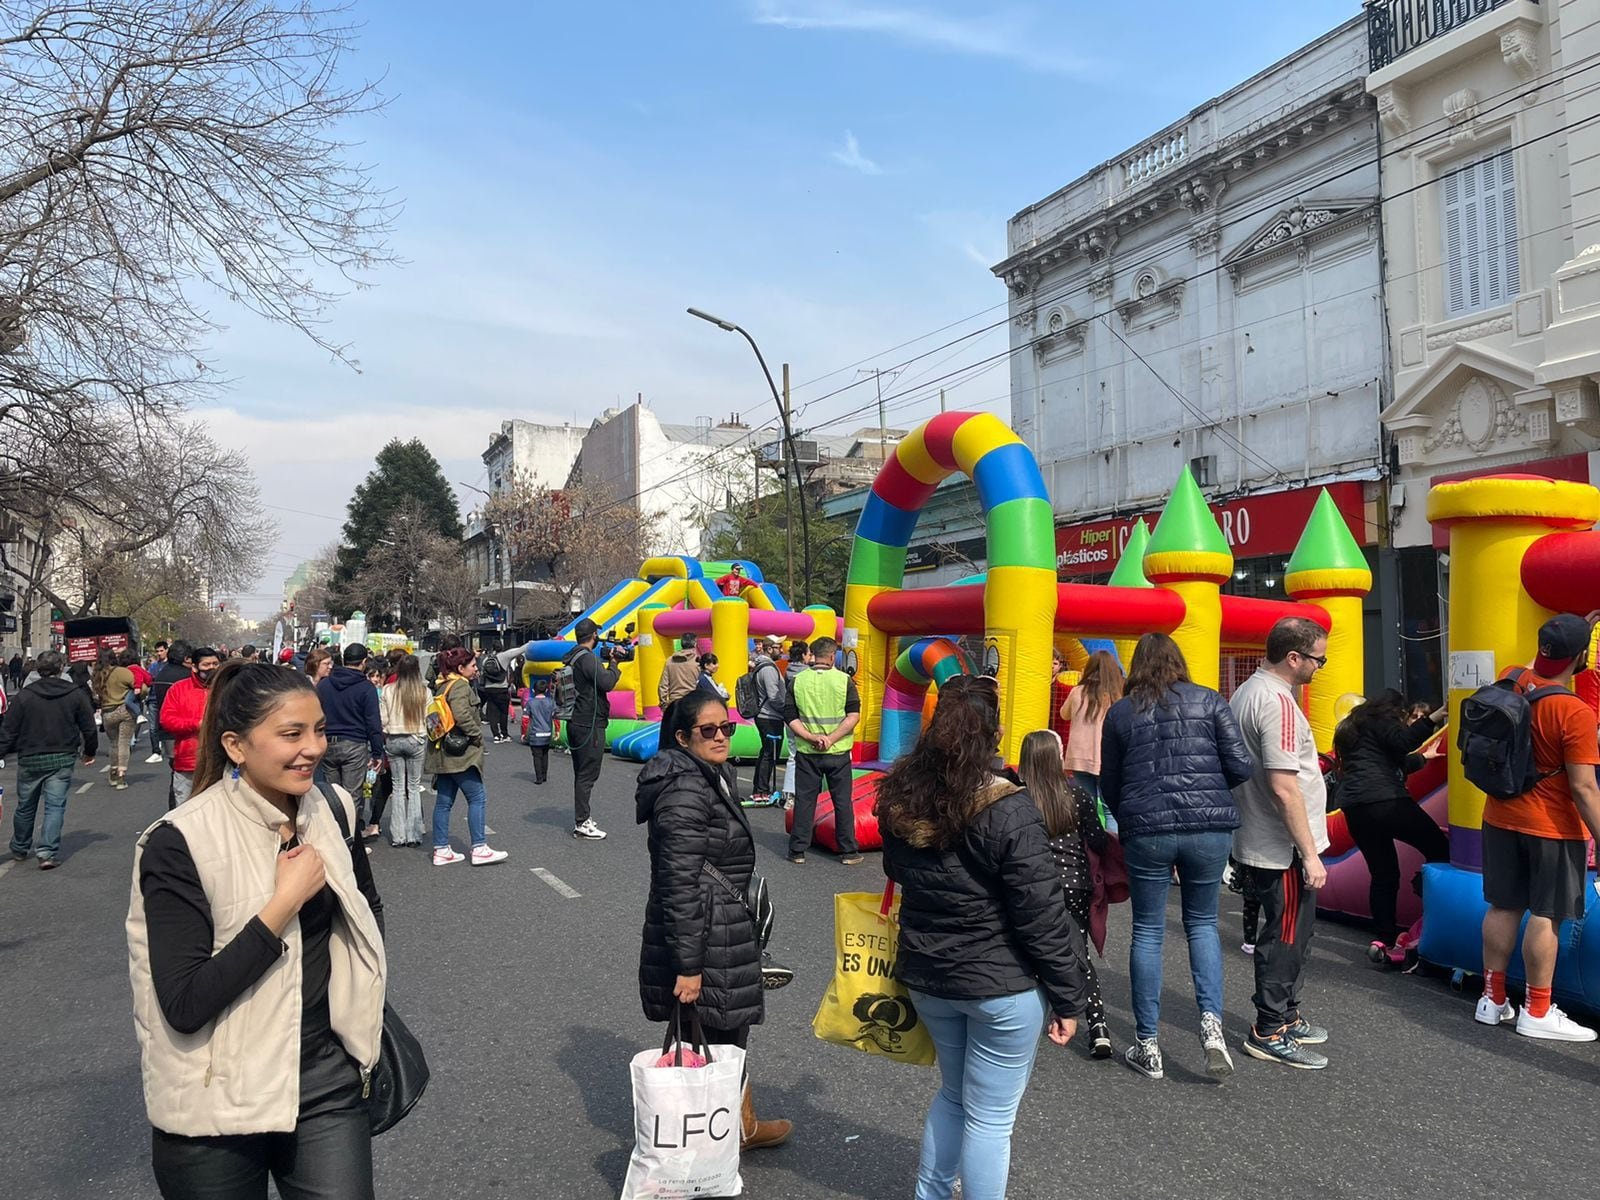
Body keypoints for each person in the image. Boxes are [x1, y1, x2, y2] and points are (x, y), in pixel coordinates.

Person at [127, 661, 386, 1198]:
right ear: (236, 745)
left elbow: (366, 912)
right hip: (215, 1101)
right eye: (291, 734)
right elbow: (184, 1001)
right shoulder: (178, 841)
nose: (312, 748)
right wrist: (282, 904)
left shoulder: (334, 809)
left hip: (324, 1083)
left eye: (318, 730)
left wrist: (355, 1023)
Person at [877, 680, 1087, 1200]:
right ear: (992, 734)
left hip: (930, 975)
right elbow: (1041, 914)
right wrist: (1068, 997)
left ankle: (931, 1193)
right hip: (1002, 983)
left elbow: (896, 868)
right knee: (991, 1119)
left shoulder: (902, 795)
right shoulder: (1009, 808)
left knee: (953, 1096)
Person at [636, 692, 791, 1153]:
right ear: (683, 737)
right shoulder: (685, 788)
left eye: (726, 726)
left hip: (722, 920)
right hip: (706, 927)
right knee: (716, 1033)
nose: (722, 735)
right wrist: (688, 966)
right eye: (709, 730)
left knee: (725, 1033)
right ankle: (707, 1143)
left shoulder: (707, 774)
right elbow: (678, 883)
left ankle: (736, 1125)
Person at [1100, 632, 1254, 1079]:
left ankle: (1147, 1044)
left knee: (1147, 930)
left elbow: (1110, 782)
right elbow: (1241, 765)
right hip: (1209, 827)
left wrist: (1128, 810)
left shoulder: (1122, 713)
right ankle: (1211, 1026)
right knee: (1202, 924)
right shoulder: (1209, 701)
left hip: (1147, 829)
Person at [1477, 612, 1600, 1040]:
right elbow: (1584, 788)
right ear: (1581, 656)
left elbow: (1540, 667)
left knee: (1504, 905)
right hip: (1551, 826)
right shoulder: (1574, 712)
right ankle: (1538, 1010)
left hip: (1498, 815)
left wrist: (1567, 633)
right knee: (1546, 914)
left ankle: (1491, 1000)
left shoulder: (1510, 678)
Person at [1229, 616, 1332, 1069]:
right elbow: (1283, 784)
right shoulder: (1278, 703)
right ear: (1294, 658)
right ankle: (1269, 1026)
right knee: (1286, 934)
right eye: (1317, 659)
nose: (1319, 667)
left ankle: (1285, 1014)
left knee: (1293, 931)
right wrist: (1309, 853)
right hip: (1281, 844)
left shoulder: (1249, 692)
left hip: (1264, 835)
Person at [1332, 688, 1449, 965]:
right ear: (1394, 710)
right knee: (1439, 849)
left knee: (1383, 873)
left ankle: (1382, 937)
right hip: (1386, 801)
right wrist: (1435, 716)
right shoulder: (1380, 719)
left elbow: (1387, 760)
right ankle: (1431, 911)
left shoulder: (1351, 727)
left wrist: (1423, 759)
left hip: (1355, 808)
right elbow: (1404, 742)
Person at [1019, 728, 1111, 1058]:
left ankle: (1030, 1019)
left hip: (1035, 884)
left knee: (1029, 948)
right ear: (1055, 759)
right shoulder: (1076, 796)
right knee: (1078, 951)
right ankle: (1098, 1025)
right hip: (1075, 884)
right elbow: (1098, 839)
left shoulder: (1020, 798)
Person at [1, 649, 97, 869]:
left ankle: (20, 846)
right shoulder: (74, 693)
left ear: (38, 670)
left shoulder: (25, 695)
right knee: (55, 806)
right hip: (62, 755)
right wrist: (89, 751)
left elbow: (9, 730)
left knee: (25, 805)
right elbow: (89, 727)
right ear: (60, 668)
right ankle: (46, 852)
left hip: (30, 756)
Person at [424, 646, 508, 866]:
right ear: (461, 668)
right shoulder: (460, 686)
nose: (476, 669)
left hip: (442, 750)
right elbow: (462, 714)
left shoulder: (442, 685)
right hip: (460, 752)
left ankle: (441, 848)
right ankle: (479, 847)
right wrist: (476, 734)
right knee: (477, 797)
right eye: (472, 666)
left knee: (444, 802)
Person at [784, 635, 862, 866]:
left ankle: (797, 850)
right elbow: (853, 716)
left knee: (805, 801)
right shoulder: (844, 680)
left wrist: (810, 737)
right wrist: (831, 738)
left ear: (812, 655)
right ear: (832, 656)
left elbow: (790, 717)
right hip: (837, 751)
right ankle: (848, 851)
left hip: (808, 751)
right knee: (842, 802)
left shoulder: (798, 681)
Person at [317, 644, 384, 837]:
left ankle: (333, 836)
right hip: (354, 743)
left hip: (328, 742)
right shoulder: (365, 687)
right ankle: (350, 840)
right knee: (352, 795)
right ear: (363, 662)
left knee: (332, 794)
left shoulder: (324, 685)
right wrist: (378, 752)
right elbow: (373, 722)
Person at [565, 618, 619, 842]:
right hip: (589, 722)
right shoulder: (587, 658)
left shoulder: (573, 656)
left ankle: (583, 818)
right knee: (588, 774)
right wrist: (615, 665)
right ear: (594, 636)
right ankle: (582, 821)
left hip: (576, 720)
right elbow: (606, 682)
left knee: (581, 773)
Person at [1059, 648, 1124, 805]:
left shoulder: (1077, 692)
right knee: (1110, 806)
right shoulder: (1117, 694)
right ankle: (1112, 831)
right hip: (1108, 757)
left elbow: (1064, 714)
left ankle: (1089, 830)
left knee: (1087, 804)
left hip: (1079, 757)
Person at [161, 647, 221, 809]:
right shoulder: (178, 689)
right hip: (188, 762)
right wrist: (197, 724)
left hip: (220, 763)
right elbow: (167, 720)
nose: (211, 668)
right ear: (194, 667)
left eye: (215, 664)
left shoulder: (227, 688)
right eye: (206, 664)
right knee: (186, 811)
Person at [380, 653, 428, 848]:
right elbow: (429, 718)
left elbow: (382, 719)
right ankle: (414, 834)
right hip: (416, 738)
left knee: (398, 787)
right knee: (414, 787)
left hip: (393, 739)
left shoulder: (388, 690)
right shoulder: (424, 691)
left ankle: (398, 836)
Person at [748, 635, 788, 805]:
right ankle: (761, 791)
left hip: (764, 715)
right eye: (779, 647)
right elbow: (774, 696)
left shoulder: (760, 665)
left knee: (766, 752)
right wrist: (786, 710)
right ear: (770, 648)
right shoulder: (769, 669)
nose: (782, 650)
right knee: (769, 754)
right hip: (770, 716)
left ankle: (759, 788)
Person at [94, 647, 139, 791]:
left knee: (114, 743)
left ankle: (113, 772)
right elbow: (142, 687)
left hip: (107, 712)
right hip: (124, 710)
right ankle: (121, 775)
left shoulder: (97, 674)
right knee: (124, 743)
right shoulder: (122, 672)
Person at [147, 642, 191, 765]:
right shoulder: (187, 676)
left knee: (175, 765)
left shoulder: (161, 674)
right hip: (186, 728)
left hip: (167, 728)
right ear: (186, 658)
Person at [476, 638, 512, 744]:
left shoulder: (487, 659)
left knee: (492, 712)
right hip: (502, 688)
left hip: (489, 688)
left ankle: (496, 735)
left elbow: (483, 672)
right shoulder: (504, 657)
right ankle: (504, 734)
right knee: (503, 712)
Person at [523, 678, 555, 785]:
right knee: (545, 754)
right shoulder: (550, 702)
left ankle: (539, 777)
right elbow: (555, 717)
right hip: (547, 732)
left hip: (535, 734)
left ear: (533, 690)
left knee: (537, 756)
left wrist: (524, 733)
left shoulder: (530, 703)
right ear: (546, 690)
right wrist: (557, 731)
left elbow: (525, 720)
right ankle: (544, 775)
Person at [658, 634, 700, 709]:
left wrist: (663, 703)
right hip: (693, 701)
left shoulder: (670, 661)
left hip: (675, 702)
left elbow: (663, 685)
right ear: (695, 643)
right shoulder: (698, 661)